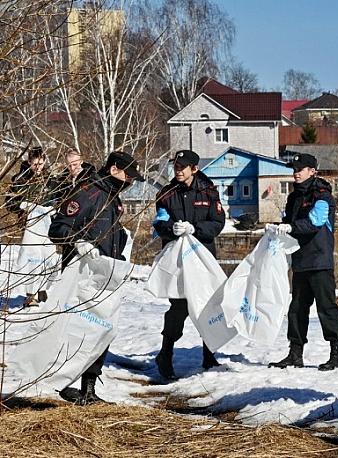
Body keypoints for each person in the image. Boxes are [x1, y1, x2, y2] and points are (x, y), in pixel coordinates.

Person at [48, 150, 144, 405]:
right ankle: (64, 383)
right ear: (114, 170)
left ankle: (88, 390)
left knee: (102, 330)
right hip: (81, 277)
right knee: (77, 331)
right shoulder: (87, 193)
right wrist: (78, 242)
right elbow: (57, 229)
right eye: (128, 176)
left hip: (104, 276)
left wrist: (119, 261)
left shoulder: (113, 197)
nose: (130, 181)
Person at [267, 153, 338, 372]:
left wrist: (291, 227)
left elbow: (315, 222)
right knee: (297, 309)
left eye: (300, 169)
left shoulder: (322, 196)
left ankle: (336, 354)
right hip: (300, 260)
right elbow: (289, 223)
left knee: (326, 308)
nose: (296, 173)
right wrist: (277, 228)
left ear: (312, 171)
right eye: (294, 169)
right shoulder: (294, 197)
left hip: (320, 261)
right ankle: (295, 353)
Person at [152, 149, 225, 380]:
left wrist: (196, 229)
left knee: (207, 306)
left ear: (194, 169)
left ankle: (209, 355)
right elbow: (160, 222)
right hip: (179, 261)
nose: (178, 171)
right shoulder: (166, 193)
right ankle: (165, 354)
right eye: (175, 166)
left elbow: (217, 223)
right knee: (179, 308)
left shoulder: (209, 192)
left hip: (203, 259)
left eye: (182, 167)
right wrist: (170, 229)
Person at [7, 146, 58, 306]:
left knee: (47, 257)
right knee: (31, 257)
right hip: (29, 226)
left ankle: (42, 288)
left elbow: (57, 198)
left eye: (41, 164)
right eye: (35, 164)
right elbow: (10, 203)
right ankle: (30, 294)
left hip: (47, 225)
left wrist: (53, 209)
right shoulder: (21, 180)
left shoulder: (51, 180)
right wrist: (22, 207)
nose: (38, 167)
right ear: (29, 162)